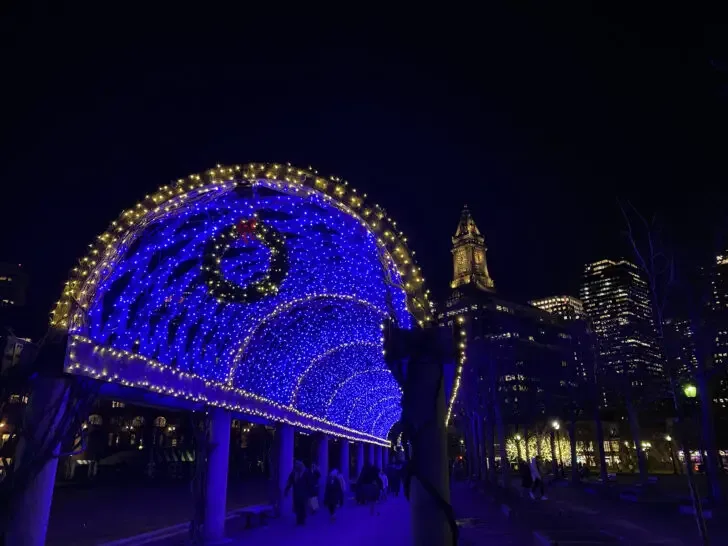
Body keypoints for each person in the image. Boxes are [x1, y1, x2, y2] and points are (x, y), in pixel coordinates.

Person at [285, 460, 312, 525]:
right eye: (296, 465)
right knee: (297, 506)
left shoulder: (306, 472)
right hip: (297, 493)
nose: (297, 466)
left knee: (303, 507)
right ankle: (298, 520)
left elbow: (310, 483)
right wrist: (287, 489)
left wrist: (310, 492)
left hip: (304, 493)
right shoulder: (294, 473)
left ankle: (302, 520)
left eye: (298, 465)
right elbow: (289, 482)